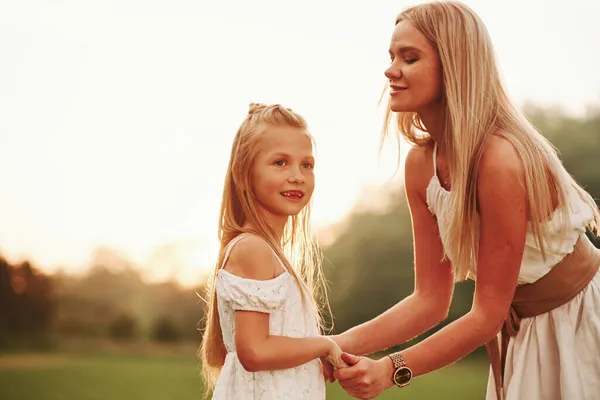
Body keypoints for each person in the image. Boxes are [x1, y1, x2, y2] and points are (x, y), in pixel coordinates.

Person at [326, 2, 600, 399]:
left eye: (410, 57)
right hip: (524, 333)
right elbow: (430, 300)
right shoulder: (421, 166)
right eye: (392, 57)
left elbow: (486, 315)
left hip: (583, 322)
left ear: (454, 65)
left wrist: (391, 370)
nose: (390, 70)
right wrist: (334, 345)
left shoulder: (500, 159)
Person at [199, 103, 346, 399]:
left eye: (307, 164)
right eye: (280, 162)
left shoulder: (267, 251)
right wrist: (323, 345)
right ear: (245, 173)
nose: (297, 176)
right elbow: (255, 351)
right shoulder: (254, 249)